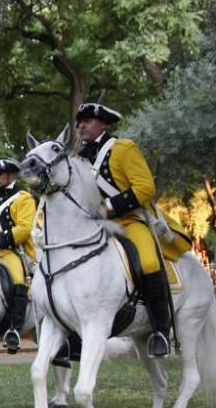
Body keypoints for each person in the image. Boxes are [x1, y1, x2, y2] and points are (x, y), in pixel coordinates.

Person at [74, 101, 192, 357]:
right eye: (78, 121)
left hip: (129, 222)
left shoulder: (123, 149)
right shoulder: (78, 159)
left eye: (87, 120)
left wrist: (108, 207)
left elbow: (145, 188)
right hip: (95, 227)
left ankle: (161, 330)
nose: (81, 125)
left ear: (103, 123)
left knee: (149, 262)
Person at [0, 157, 36, 354]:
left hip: (12, 251)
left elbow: (24, 229)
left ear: (10, 175)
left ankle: (14, 329)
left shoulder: (23, 198)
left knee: (16, 279)